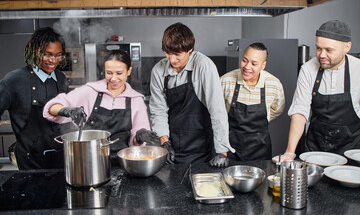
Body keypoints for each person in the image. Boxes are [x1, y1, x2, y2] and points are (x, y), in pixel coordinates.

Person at [43, 50, 151, 165]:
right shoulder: (90, 91)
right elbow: (51, 108)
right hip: (89, 162)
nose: (113, 78)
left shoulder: (136, 100)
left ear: (129, 71)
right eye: (109, 73)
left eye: (119, 73)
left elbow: (135, 143)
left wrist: (139, 138)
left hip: (122, 164)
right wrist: (66, 110)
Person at [149, 22, 234, 167]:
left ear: (190, 49)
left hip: (202, 146)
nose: (172, 60)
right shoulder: (158, 70)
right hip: (173, 144)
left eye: (177, 54)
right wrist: (165, 143)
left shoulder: (203, 66)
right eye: (168, 53)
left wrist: (222, 152)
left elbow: (217, 109)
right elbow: (158, 111)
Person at [276, 20, 360, 162]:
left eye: (329, 50)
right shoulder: (308, 69)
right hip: (316, 150)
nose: (321, 55)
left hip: (351, 150)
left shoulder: (358, 69)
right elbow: (300, 112)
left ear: (347, 47)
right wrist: (289, 152)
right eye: (318, 48)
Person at [0, 27, 70, 170]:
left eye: (58, 55)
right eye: (47, 54)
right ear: (35, 51)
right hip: (30, 161)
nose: (53, 60)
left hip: (60, 159)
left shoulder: (61, 79)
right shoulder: (14, 80)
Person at [221, 42, 285, 161]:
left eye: (254, 63)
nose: (247, 67)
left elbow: (277, 109)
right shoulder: (225, 81)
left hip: (260, 149)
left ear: (263, 65)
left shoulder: (274, 84)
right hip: (230, 148)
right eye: (244, 60)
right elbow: (216, 113)